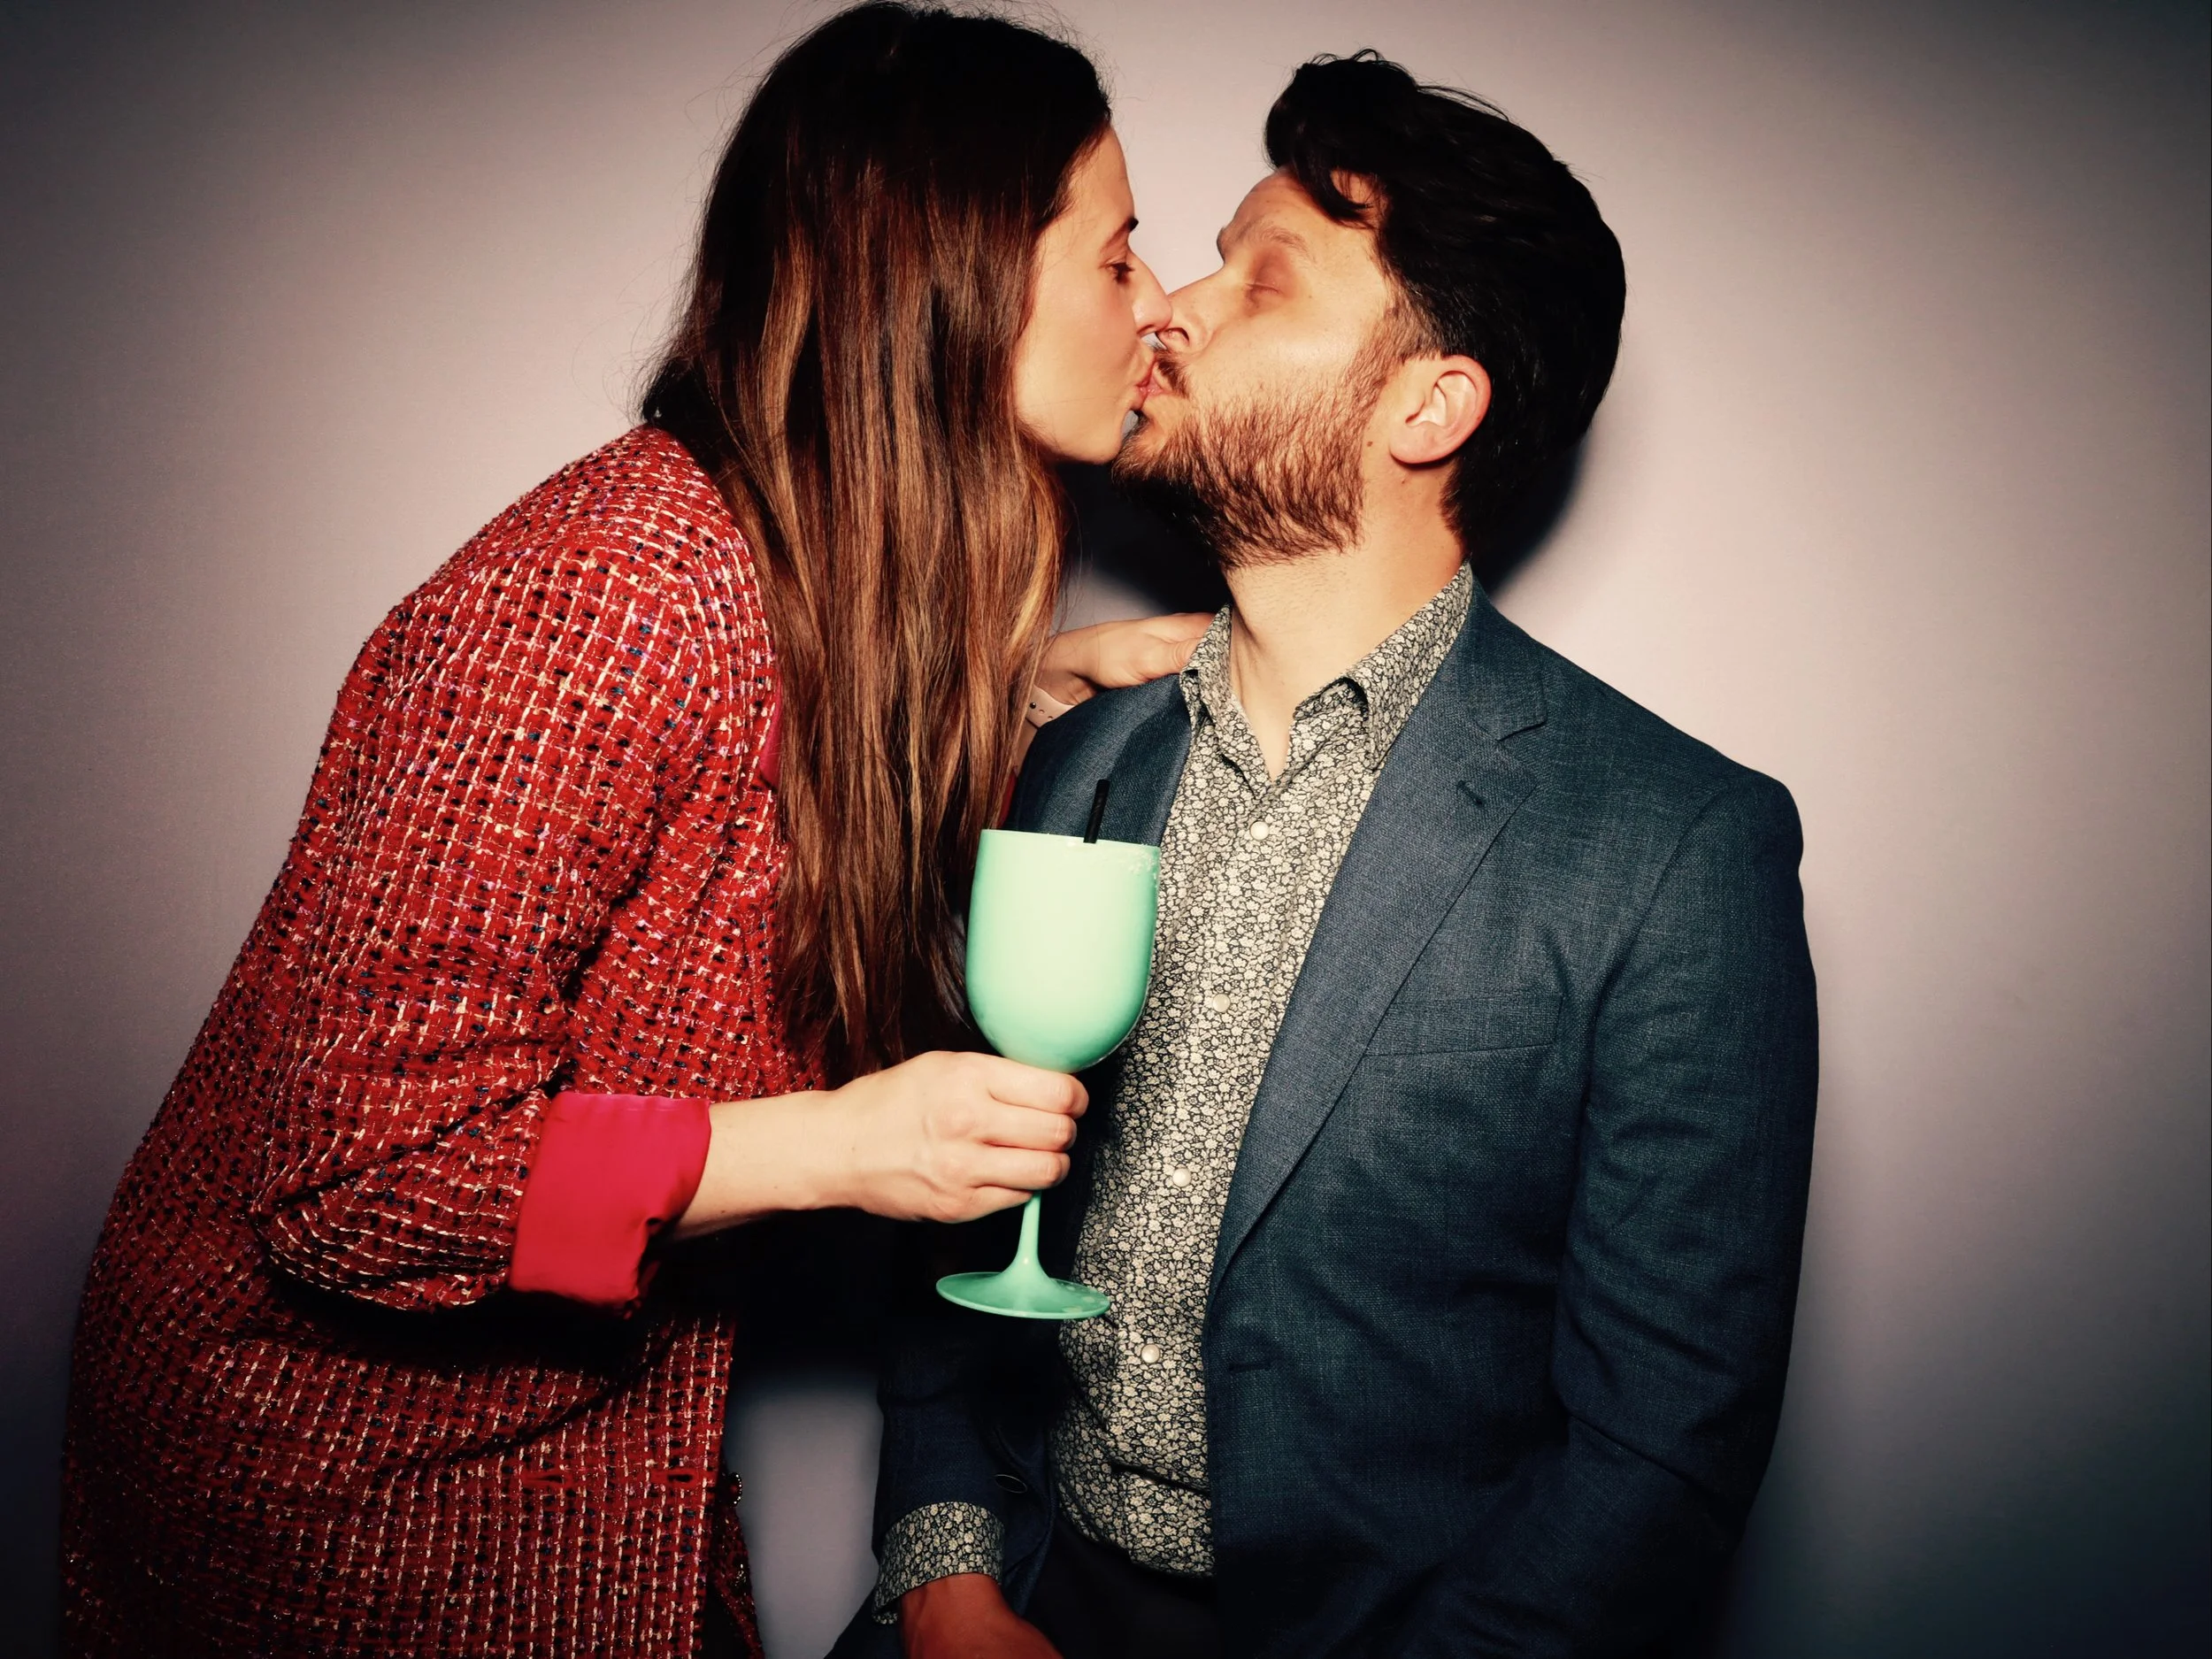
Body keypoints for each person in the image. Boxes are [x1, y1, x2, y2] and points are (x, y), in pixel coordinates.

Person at [59, 7, 1210, 1655]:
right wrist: (838, 1144)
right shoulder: (610, 592)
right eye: (1116, 258)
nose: (1157, 308)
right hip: (335, 1482)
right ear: (950, 283)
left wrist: (1033, 680)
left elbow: (746, 781)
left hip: (607, 1439)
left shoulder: (804, 582)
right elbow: (361, 1174)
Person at [848, 50, 1820, 1659]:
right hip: (1018, 1586)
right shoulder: (1074, 757)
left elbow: (1660, 1452)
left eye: (1260, 278)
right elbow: (954, 1223)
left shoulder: (1676, 850)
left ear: (1429, 405)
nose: (1172, 307)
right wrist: (947, 1579)